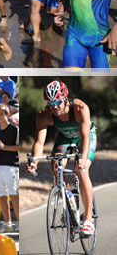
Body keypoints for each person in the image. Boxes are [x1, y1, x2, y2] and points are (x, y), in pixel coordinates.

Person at [26, 80, 97, 236]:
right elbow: (39, 142)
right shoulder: (44, 115)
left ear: (65, 98)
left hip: (84, 137)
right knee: (56, 167)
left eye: (57, 102)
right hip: (65, 138)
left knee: (81, 170)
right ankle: (71, 201)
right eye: (50, 103)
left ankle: (88, 219)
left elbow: (85, 136)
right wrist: (34, 161)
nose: (54, 106)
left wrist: (83, 158)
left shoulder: (80, 108)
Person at [0, 103, 19, 233]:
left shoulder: (15, 129)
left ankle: (19, 223)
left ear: (7, 114)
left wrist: (5, 147)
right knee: (2, 195)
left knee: (14, 195)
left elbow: (19, 147)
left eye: (1, 114)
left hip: (11, 166)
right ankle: (8, 223)